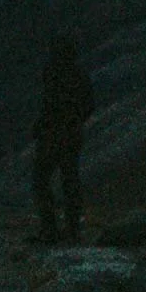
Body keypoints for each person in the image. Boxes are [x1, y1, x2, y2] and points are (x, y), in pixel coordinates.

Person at [32, 35, 94, 243]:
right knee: (69, 180)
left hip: (52, 134)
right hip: (70, 134)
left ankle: (50, 229)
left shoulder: (52, 73)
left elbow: (47, 104)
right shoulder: (79, 75)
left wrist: (44, 125)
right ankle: (72, 230)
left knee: (42, 180)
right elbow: (88, 106)